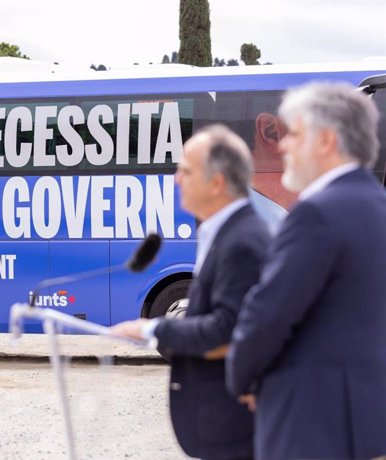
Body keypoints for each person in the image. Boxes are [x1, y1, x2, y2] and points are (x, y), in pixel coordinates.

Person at [227, 82, 386, 459]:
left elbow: (267, 314)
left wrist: (242, 377)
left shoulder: (315, 215)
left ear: (326, 141)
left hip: (311, 420)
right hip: (364, 419)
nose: (283, 146)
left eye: (294, 134)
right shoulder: (376, 204)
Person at [113, 124, 270, 460]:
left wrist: (151, 328)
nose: (175, 178)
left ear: (216, 182)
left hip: (235, 426)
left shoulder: (241, 242)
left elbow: (228, 332)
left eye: (185, 170)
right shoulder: (228, 232)